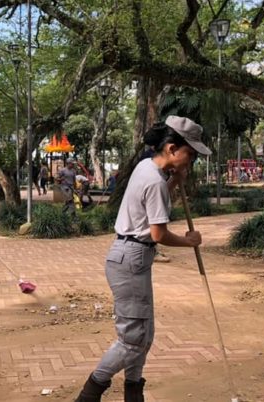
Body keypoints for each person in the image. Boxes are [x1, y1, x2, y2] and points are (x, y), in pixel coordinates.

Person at [74, 116, 211, 402]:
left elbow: (152, 201)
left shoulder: (146, 168)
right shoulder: (155, 181)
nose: (191, 161)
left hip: (130, 257)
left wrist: (174, 180)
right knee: (133, 341)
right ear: (173, 148)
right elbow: (158, 233)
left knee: (143, 336)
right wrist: (188, 241)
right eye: (191, 154)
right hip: (132, 259)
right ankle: (89, 394)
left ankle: (133, 393)